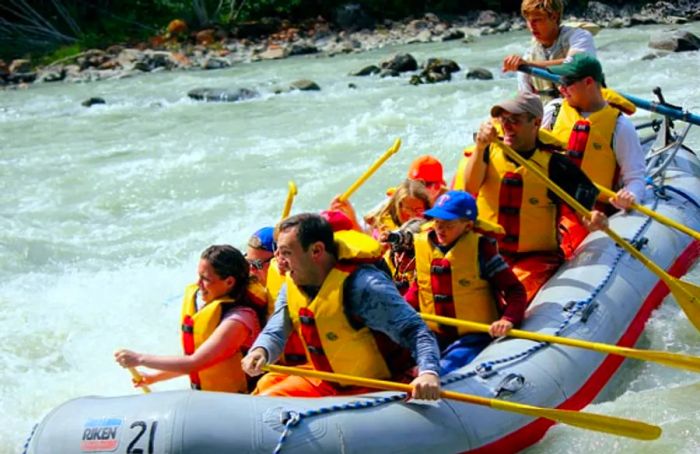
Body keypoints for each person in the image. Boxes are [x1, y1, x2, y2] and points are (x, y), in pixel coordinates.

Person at [241, 213, 441, 400]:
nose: (280, 263)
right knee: (266, 388)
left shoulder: (364, 286)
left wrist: (429, 372)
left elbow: (416, 331)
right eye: (277, 253)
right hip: (328, 381)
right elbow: (276, 330)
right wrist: (261, 350)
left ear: (316, 251)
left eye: (286, 253)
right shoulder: (293, 283)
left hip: (379, 384)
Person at [454, 92, 607, 302]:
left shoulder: (556, 165)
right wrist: (480, 147)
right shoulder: (488, 151)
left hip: (535, 259)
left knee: (509, 298)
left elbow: (585, 214)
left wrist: (593, 219)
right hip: (488, 253)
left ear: (535, 123)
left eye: (514, 121)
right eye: (503, 120)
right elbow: (469, 189)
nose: (507, 126)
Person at [404, 191, 527, 374]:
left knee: (441, 370)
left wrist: (507, 320)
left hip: (474, 336)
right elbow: (417, 291)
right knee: (399, 359)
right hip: (435, 334)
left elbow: (515, 290)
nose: (440, 229)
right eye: (437, 222)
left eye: (449, 224)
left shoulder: (482, 250)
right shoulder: (425, 247)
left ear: (468, 225)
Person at [115, 245, 266, 392]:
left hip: (242, 400)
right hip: (215, 400)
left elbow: (194, 363)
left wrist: (139, 359)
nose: (198, 284)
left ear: (229, 282)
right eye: (199, 276)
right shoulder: (215, 306)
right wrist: (154, 378)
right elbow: (205, 362)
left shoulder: (239, 319)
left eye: (205, 278)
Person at [542, 54, 644, 257]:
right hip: (548, 204)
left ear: (588, 82)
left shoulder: (619, 126)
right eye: (560, 82)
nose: (561, 88)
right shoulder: (553, 110)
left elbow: (636, 179)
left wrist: (629, 197)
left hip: (590, 211)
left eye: (567, 82)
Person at [502, 0, 596, 104]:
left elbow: (574, 65)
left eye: (537, 20)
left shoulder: (580, 36)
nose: (531, 26)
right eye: (528, 20)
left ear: (554, 17)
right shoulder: (529, 55)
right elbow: (525, 97)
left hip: (584, 109)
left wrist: (528, 65)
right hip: (549, 114)